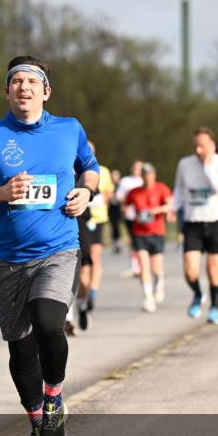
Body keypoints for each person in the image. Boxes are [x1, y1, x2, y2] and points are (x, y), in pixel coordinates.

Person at [0, 55, 99, 436]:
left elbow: (91, 169)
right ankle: (39, 422)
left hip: (58, 249)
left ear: (45, 91)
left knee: (48, 321)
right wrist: (0, 193)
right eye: (16, 81)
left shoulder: (69, 129)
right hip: (7, 259)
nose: (24, 87)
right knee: (20, 348)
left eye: (31, 82)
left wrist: (86, 193)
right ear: (6, 91)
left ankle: (54, 397)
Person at [172, 127, 218, 325]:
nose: (198, 151)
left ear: (212, 146)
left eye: (202, 147)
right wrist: (174, 207)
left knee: (213, 270)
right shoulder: (185, 164)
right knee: (190, 270)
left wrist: (207, 167)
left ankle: (214, 307)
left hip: (215, 221)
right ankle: (198, 294)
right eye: (195, 146)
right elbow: (179, 189)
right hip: (193, 221)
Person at [123, 163, 173, 312]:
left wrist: (156, 210)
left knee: (156, 268)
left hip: (157, 231)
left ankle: (160, 282)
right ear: (142, 176)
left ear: (154, 175)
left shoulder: (161, 188)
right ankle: (148, 298)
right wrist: (126, 212)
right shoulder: (134, 192)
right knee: (144, 266)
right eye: (144, 174)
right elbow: (126, 205)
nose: (147, 177)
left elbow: (169, 205)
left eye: (150, 174)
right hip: (139, 233)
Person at [74, 140, 112, 330]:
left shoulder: (100, 171)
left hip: (97, 220)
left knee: (93, 259)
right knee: (81, 266)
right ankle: (82, 300)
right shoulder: (70, 168)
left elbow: (108, 194)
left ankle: (91, 294)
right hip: (78, 221)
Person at [115, 161, 144, 275]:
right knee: (133, 240)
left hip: (143, 215)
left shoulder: (144, 181)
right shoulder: (125, 181)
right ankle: (134, 265)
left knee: (142, 239)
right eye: (135, 168)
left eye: (139, 169)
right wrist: (125, 204)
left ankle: (143, 264)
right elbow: (119, 196)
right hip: (130, 215)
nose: (137, 171)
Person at [107, 167, 124, 253]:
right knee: (113, 226)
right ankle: (115, 243)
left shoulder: (121, 185)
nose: (114, 177)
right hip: (112, 208)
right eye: (112, 175)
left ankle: (119, 242)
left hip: (119, 208)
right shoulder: (109, 185)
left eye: (116, 175)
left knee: (118, 226)